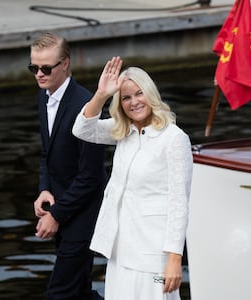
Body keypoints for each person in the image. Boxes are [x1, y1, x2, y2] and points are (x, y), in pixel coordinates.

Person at [72, 56, 193, 300]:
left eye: (139, 94)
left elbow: (179, 203)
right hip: (120, 250)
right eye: (126, 97)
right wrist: (101, 94)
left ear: (150, 94)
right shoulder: (122, 131)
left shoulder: (174, 139)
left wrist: (174, 259)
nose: (134, 102)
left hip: (154, 254)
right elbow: (81, 129)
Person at [29, 32, 107, 300]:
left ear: (65, 64)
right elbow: (46, 154)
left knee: (59, 294)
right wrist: (44, 189)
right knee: (78, 293)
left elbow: (92, 177)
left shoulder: (86, 106)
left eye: (46, 68)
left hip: (83, 216)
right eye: (34, 68)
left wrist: (57, 215)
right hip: (62, 207)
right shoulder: (44, 96)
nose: (39, 74)